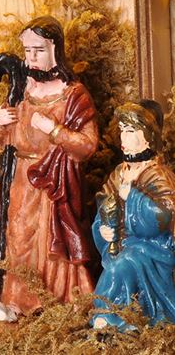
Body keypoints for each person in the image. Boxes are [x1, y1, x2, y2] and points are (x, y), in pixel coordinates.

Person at [0, 16, 98, 313]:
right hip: (22, 181)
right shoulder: (23, 90)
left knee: (52, 243)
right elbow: (6, 140)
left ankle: (58, 304)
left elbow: (87, 146)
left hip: (54, 183)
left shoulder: (73, 95)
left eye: (39, 50)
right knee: (19, 237)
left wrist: (54, 130)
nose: (32, 57)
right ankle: (19, 302)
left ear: (55, 50)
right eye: (27, 51)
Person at [91, 101, 175, 331]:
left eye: (130, 131)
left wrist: (132, 196)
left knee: (122, 265)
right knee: (119, 262)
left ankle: (114, 318)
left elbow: (163, 216)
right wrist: (103, 228)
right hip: (124, 244)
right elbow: (103, 204)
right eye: (121, 131)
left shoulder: (158, 174)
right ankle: (111, 315)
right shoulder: (119, 172)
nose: (123, 138)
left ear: (147, 137)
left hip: (153, 248)